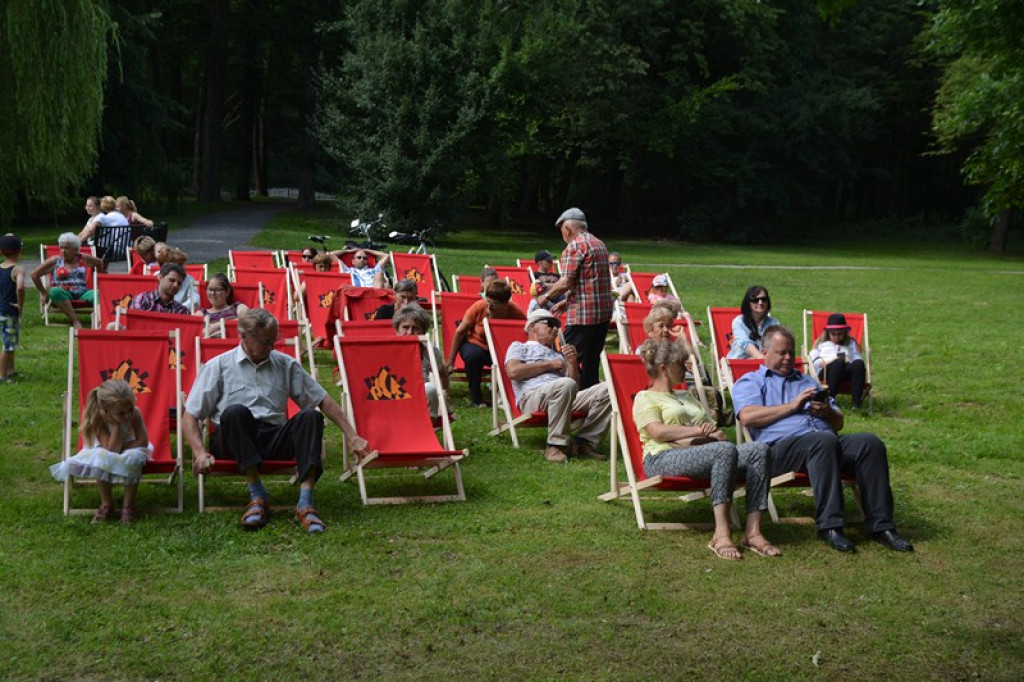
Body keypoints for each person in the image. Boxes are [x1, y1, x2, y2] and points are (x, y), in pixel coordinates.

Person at [183, 308, 372, 533]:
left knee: (311, 416)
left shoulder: (284, 363)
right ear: (243, 336)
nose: (272, 347)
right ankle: (257, 495)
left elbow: (323, 400)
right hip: (234, 441)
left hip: (273, 438)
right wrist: (199, 453)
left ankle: (305, 502)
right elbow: (190, 415)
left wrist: (352, 436)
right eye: (265, 342)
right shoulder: (218, 366)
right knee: (234, 413)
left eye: (274, 341)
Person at [732, 325, 913, 553]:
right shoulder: (752, 381)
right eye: (781, 353)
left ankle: (882, 526)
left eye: (791, 352)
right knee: (823, 441)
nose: (789, 358)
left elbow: (838, 423)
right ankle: (831, 526)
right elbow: (748, 417)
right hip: (779, 451)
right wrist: (793, 406)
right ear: (765, 351)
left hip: (824, 445)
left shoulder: (808, 381)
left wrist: (827, 412)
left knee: (869, 443)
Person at [634, 340, 778, 559]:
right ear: (664, 368)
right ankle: (721, 534)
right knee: (724, 451)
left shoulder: (686, 396)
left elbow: (713, 429)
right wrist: (697, 432)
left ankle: (753, 532)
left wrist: (712, 434)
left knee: (758, 449)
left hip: (703, 453)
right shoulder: (645, 397)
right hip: (662, 458)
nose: (686, 369)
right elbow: (658, 432)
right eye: (681, 364)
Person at [504, 309, 611, 462]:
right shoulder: (519, 347)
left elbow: (574, 386)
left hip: (562, 394)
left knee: (608, 389)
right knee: (564, 384)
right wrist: (550, 364)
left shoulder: (558, 355)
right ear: (532, 326)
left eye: (557, 326)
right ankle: (555, 445)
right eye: (550, 324)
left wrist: (573, 363)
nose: (555, 329)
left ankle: (584, 442)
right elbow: (513, 372)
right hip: (533, 396)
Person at [49, 379, 152, 524]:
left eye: (129, 410)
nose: (127, 416)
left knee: (134, 458)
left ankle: (128, 506)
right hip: (105, 450)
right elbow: (111, 449)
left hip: (130, 446)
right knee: (101, 458)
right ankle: (107, 503)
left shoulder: (135, 413)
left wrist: (123, 443)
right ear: (106, 411)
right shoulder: (97, 417)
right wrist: (115, 425)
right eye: (121, 413)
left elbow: (142, 441)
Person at [536, 208, 613, 389]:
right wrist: (567, 300)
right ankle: (590, 400)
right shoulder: (599, 244)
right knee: (591, 360)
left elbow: (565, 282)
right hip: (602, 314)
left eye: (562, 230)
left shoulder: (575, 246)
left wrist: (545, 298)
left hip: (583, 316)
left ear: (568, 229)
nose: (562, 234)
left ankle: (560, 396)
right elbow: (590, 280)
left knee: (565, 357)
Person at [446, 280, 526, 407]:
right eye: (487, 302)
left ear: (505, 304)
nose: (488, 308)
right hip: (475, 343)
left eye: (493, 305)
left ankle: (512, 396)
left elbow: (525, 335)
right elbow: (460, 332)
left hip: (499, 349)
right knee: (474, 355)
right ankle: (476, 399)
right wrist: (450, 361)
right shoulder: (478, 307)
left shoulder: (516, 313)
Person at [31, 232, 105, 329]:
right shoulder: (55, 261)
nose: (63, 251)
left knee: (99, 293)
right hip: (63, 293)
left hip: (82, 292)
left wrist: (98, 279)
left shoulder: (83, 258)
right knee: (55, 291)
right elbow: (34, 274)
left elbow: (99, 263)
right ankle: (75, 321)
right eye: (61, 247)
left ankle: (100, 322)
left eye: (67, 248)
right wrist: (44, 293)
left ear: (75, 249)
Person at [393, 303, 449, 419]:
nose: (409, 332)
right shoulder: (387, 351)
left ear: (423, 332)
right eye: (405, 327)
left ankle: (428, 425)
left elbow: (442, 372)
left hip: (421, 396)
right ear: (397, 330)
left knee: (430, 388)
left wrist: (444, 396)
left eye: (415, 328)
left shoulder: (430, 351)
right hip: (393, 396)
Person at [810, 313, 867, 409]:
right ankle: (830, 400)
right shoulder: (821, 344)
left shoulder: (850, 343)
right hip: (826, 372)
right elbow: (814, 363)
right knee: (838, 362)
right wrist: (832, 361)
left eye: (840, 334)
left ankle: (856, 404)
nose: (836, 337)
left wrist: (850, 361)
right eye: (833, 334)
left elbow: (858, 358)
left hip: (845, 371)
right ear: (828, 333)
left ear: (845, 333)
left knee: (859, 364)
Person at [727, 285, 780, 360]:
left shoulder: (774, 323)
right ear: (748, 303)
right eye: (755, 300)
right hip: (739, 364)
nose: (760, 302)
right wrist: (761, 358)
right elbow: (745, 343)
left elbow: (777, 346)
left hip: (764, 365)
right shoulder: (739, 322)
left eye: (764, 299)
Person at [0, 234, 26, 383]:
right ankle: (2, 375)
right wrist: (20, 305)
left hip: (1, 310)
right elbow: (21, 288)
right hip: (10, 312)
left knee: (9, 341)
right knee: (8, 345)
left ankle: (11, 370)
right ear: (20, 250)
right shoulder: (18, 269)